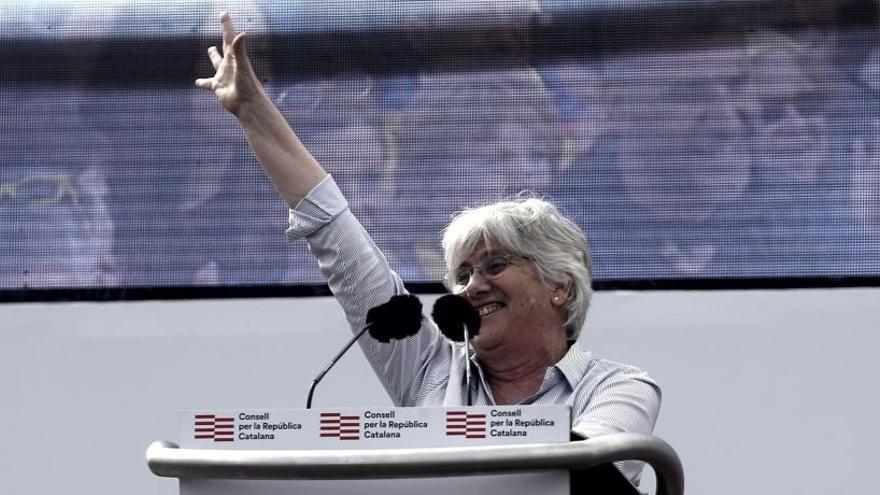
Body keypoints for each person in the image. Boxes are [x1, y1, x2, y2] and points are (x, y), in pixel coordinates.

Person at [195, 12, 660, 485]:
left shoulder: (617, 387)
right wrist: (252, 111)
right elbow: (332, 227)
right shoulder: (429, 370)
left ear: (560, 285)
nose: (473, 286)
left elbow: (584, 478)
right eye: (461, 275)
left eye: (494, 265)